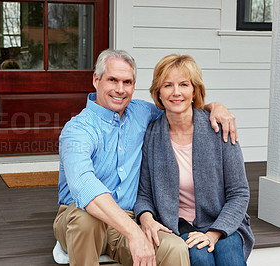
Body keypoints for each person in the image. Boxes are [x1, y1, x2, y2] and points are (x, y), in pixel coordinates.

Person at [53, 49, 237, 266]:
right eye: (112, 80)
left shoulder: (142, 113)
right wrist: (135, 233)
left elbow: (178, 107)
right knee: (87, 220)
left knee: (176, 248)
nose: (120, 90)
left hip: (129, 218)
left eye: (127, 82)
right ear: (96, 80)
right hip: (78, 219)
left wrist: (214, 108)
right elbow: (85, 186)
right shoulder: (77, 130)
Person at [134, 54, 254, 266]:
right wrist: (146, 218)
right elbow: (144, 194)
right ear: (159, 93)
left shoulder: (218, 128)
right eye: (168, 85)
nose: (176, 92)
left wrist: (214, 234)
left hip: (222, 221)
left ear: (194, 91)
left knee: (229, 253)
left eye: (184, 84)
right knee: (199, 255)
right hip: (177, 226)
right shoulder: (151, 135)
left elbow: (239, 193)